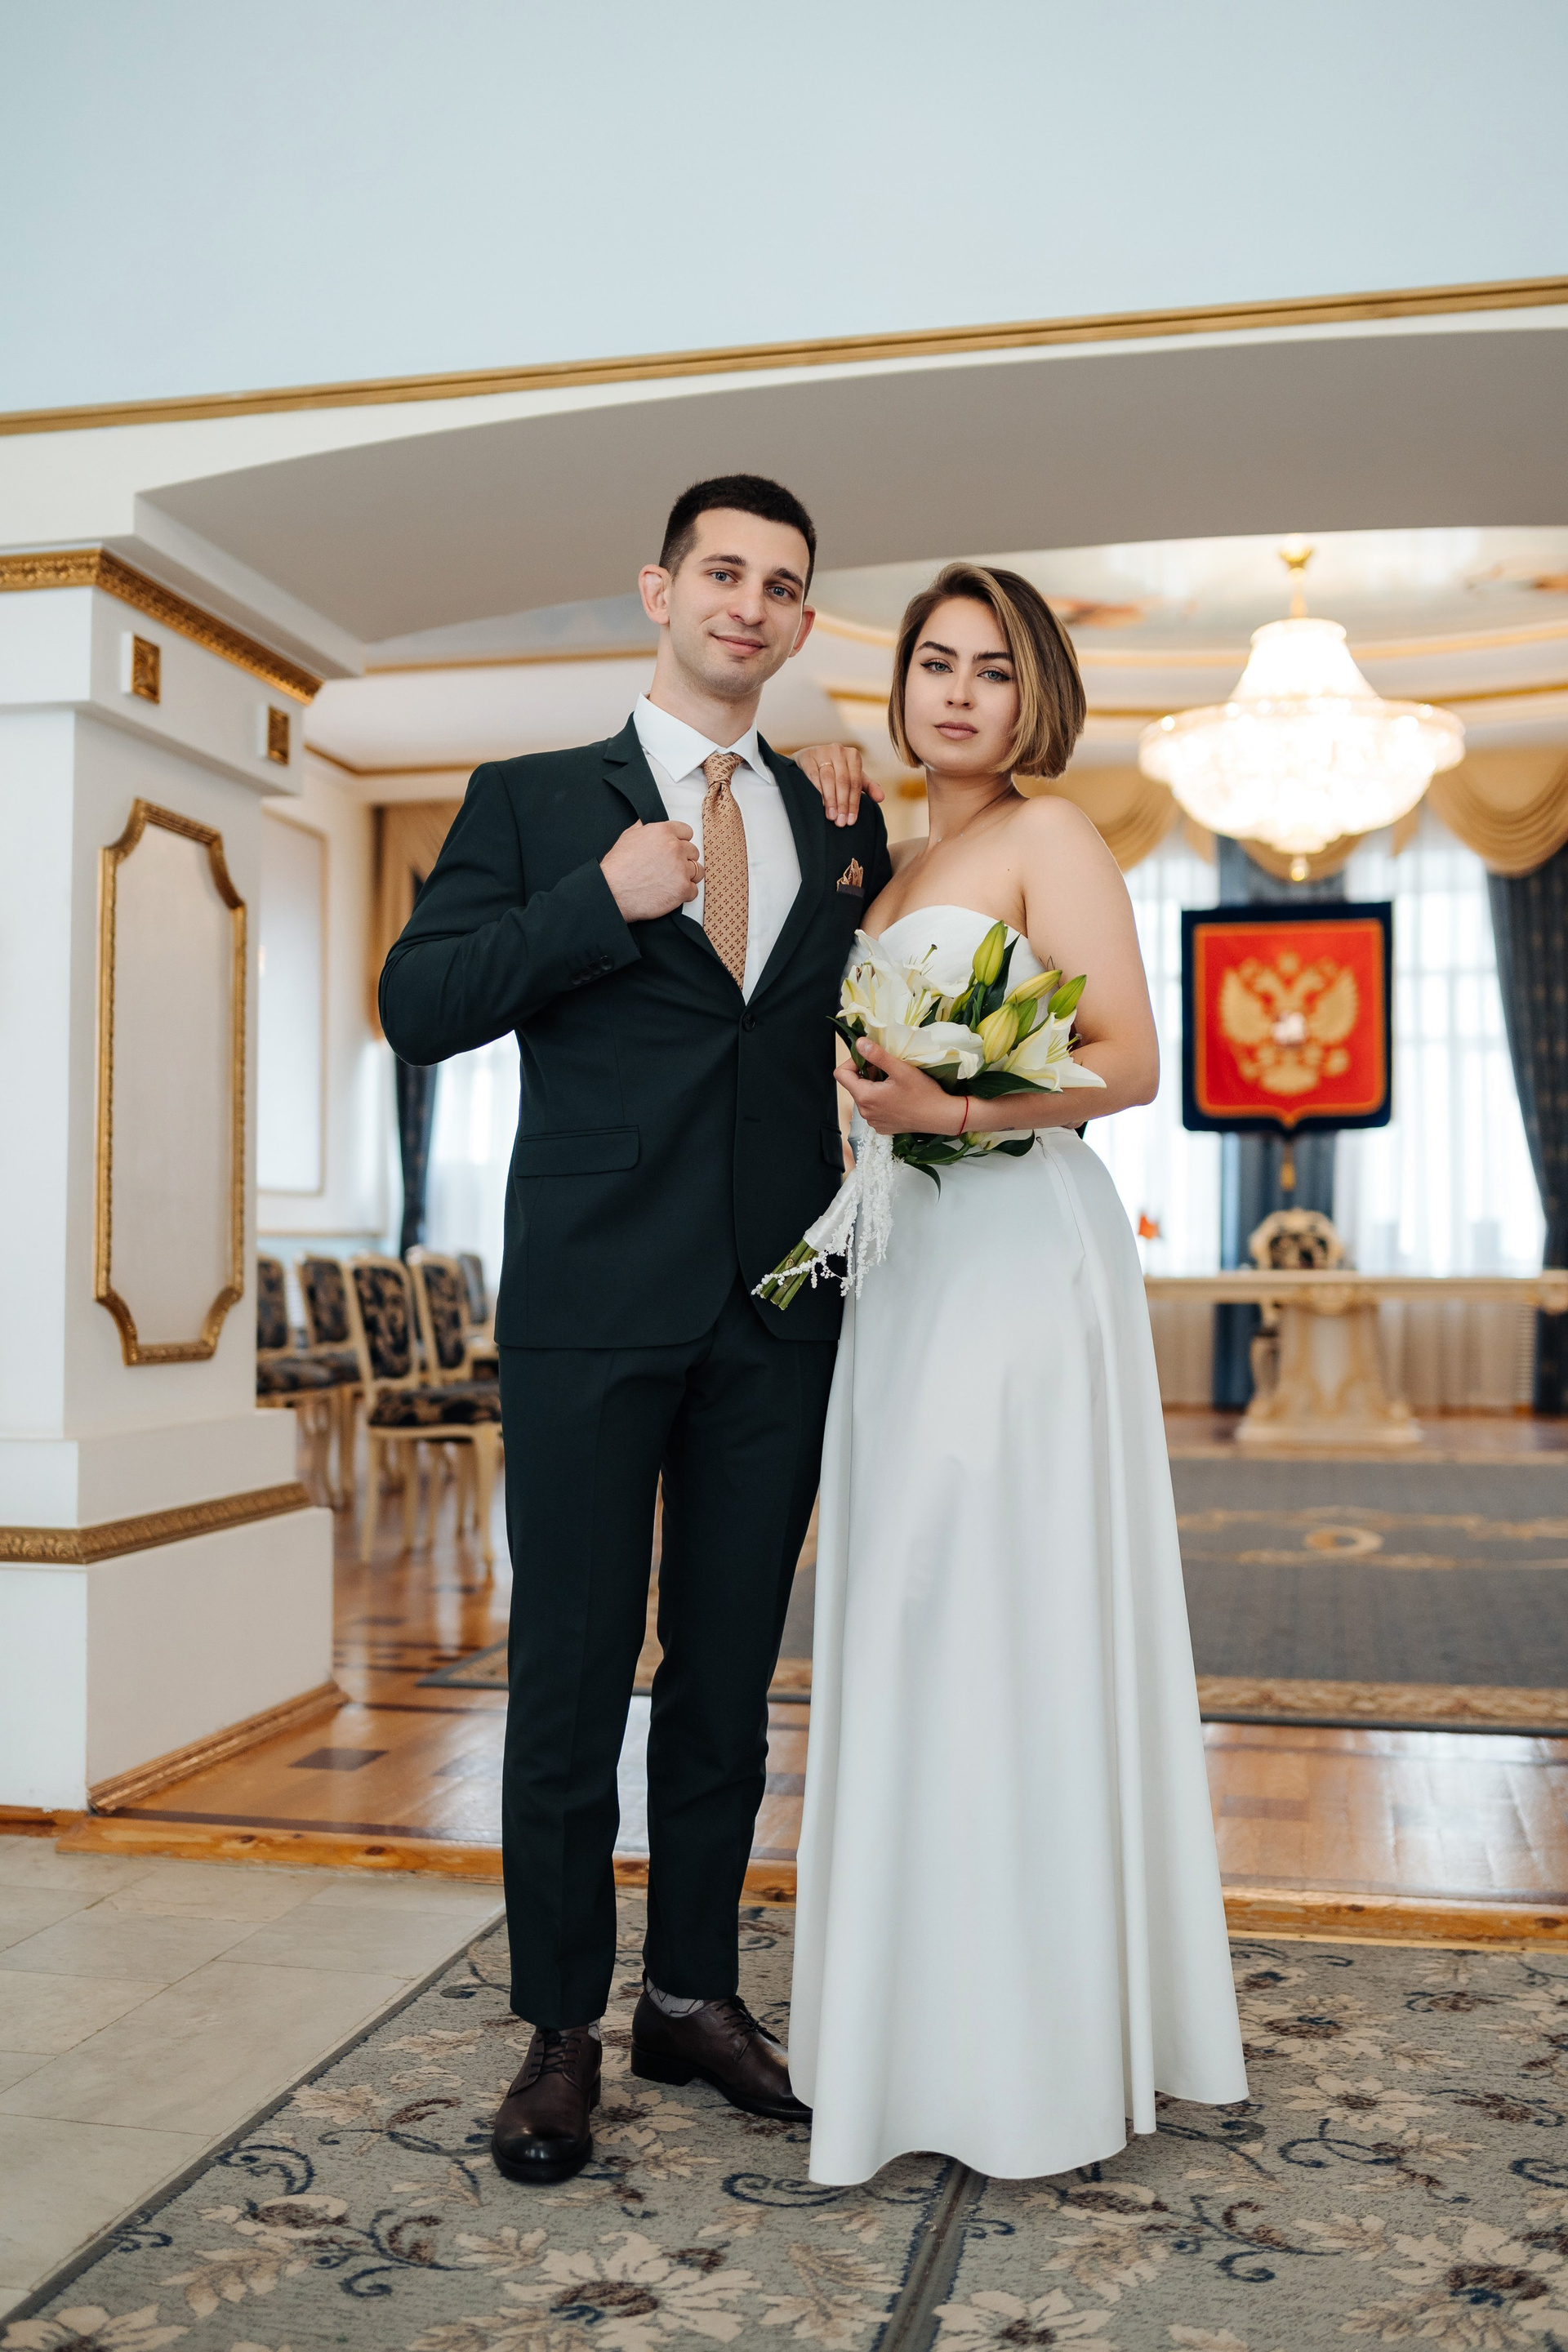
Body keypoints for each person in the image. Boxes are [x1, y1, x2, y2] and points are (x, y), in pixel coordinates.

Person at [379, 474, 892, 2187]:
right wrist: (600, 897)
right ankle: (557, 2031)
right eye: (723, 572)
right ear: (660, 592)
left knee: (727, 1684)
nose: (751, 603)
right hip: (592, 1307)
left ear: (803, 625)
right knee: (571, 1679)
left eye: (784, 585)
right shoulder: (532, 801)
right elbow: (418, 1004)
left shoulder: (836, 819)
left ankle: (690, 1997)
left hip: (780, 1309)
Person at [786, 563, 1248, 2185]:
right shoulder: (892, 862)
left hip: (1017, 1250)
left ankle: (1034, 2053)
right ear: (902, 684)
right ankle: (918, 2034)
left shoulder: (1053, 835)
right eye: (935, 663)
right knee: (913, 1609)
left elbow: (1131, 1060)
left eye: (992, 668)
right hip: (907, 1266)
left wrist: (961, 1113)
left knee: (1003, 1598)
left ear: (1036, 690)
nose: (960, 693)